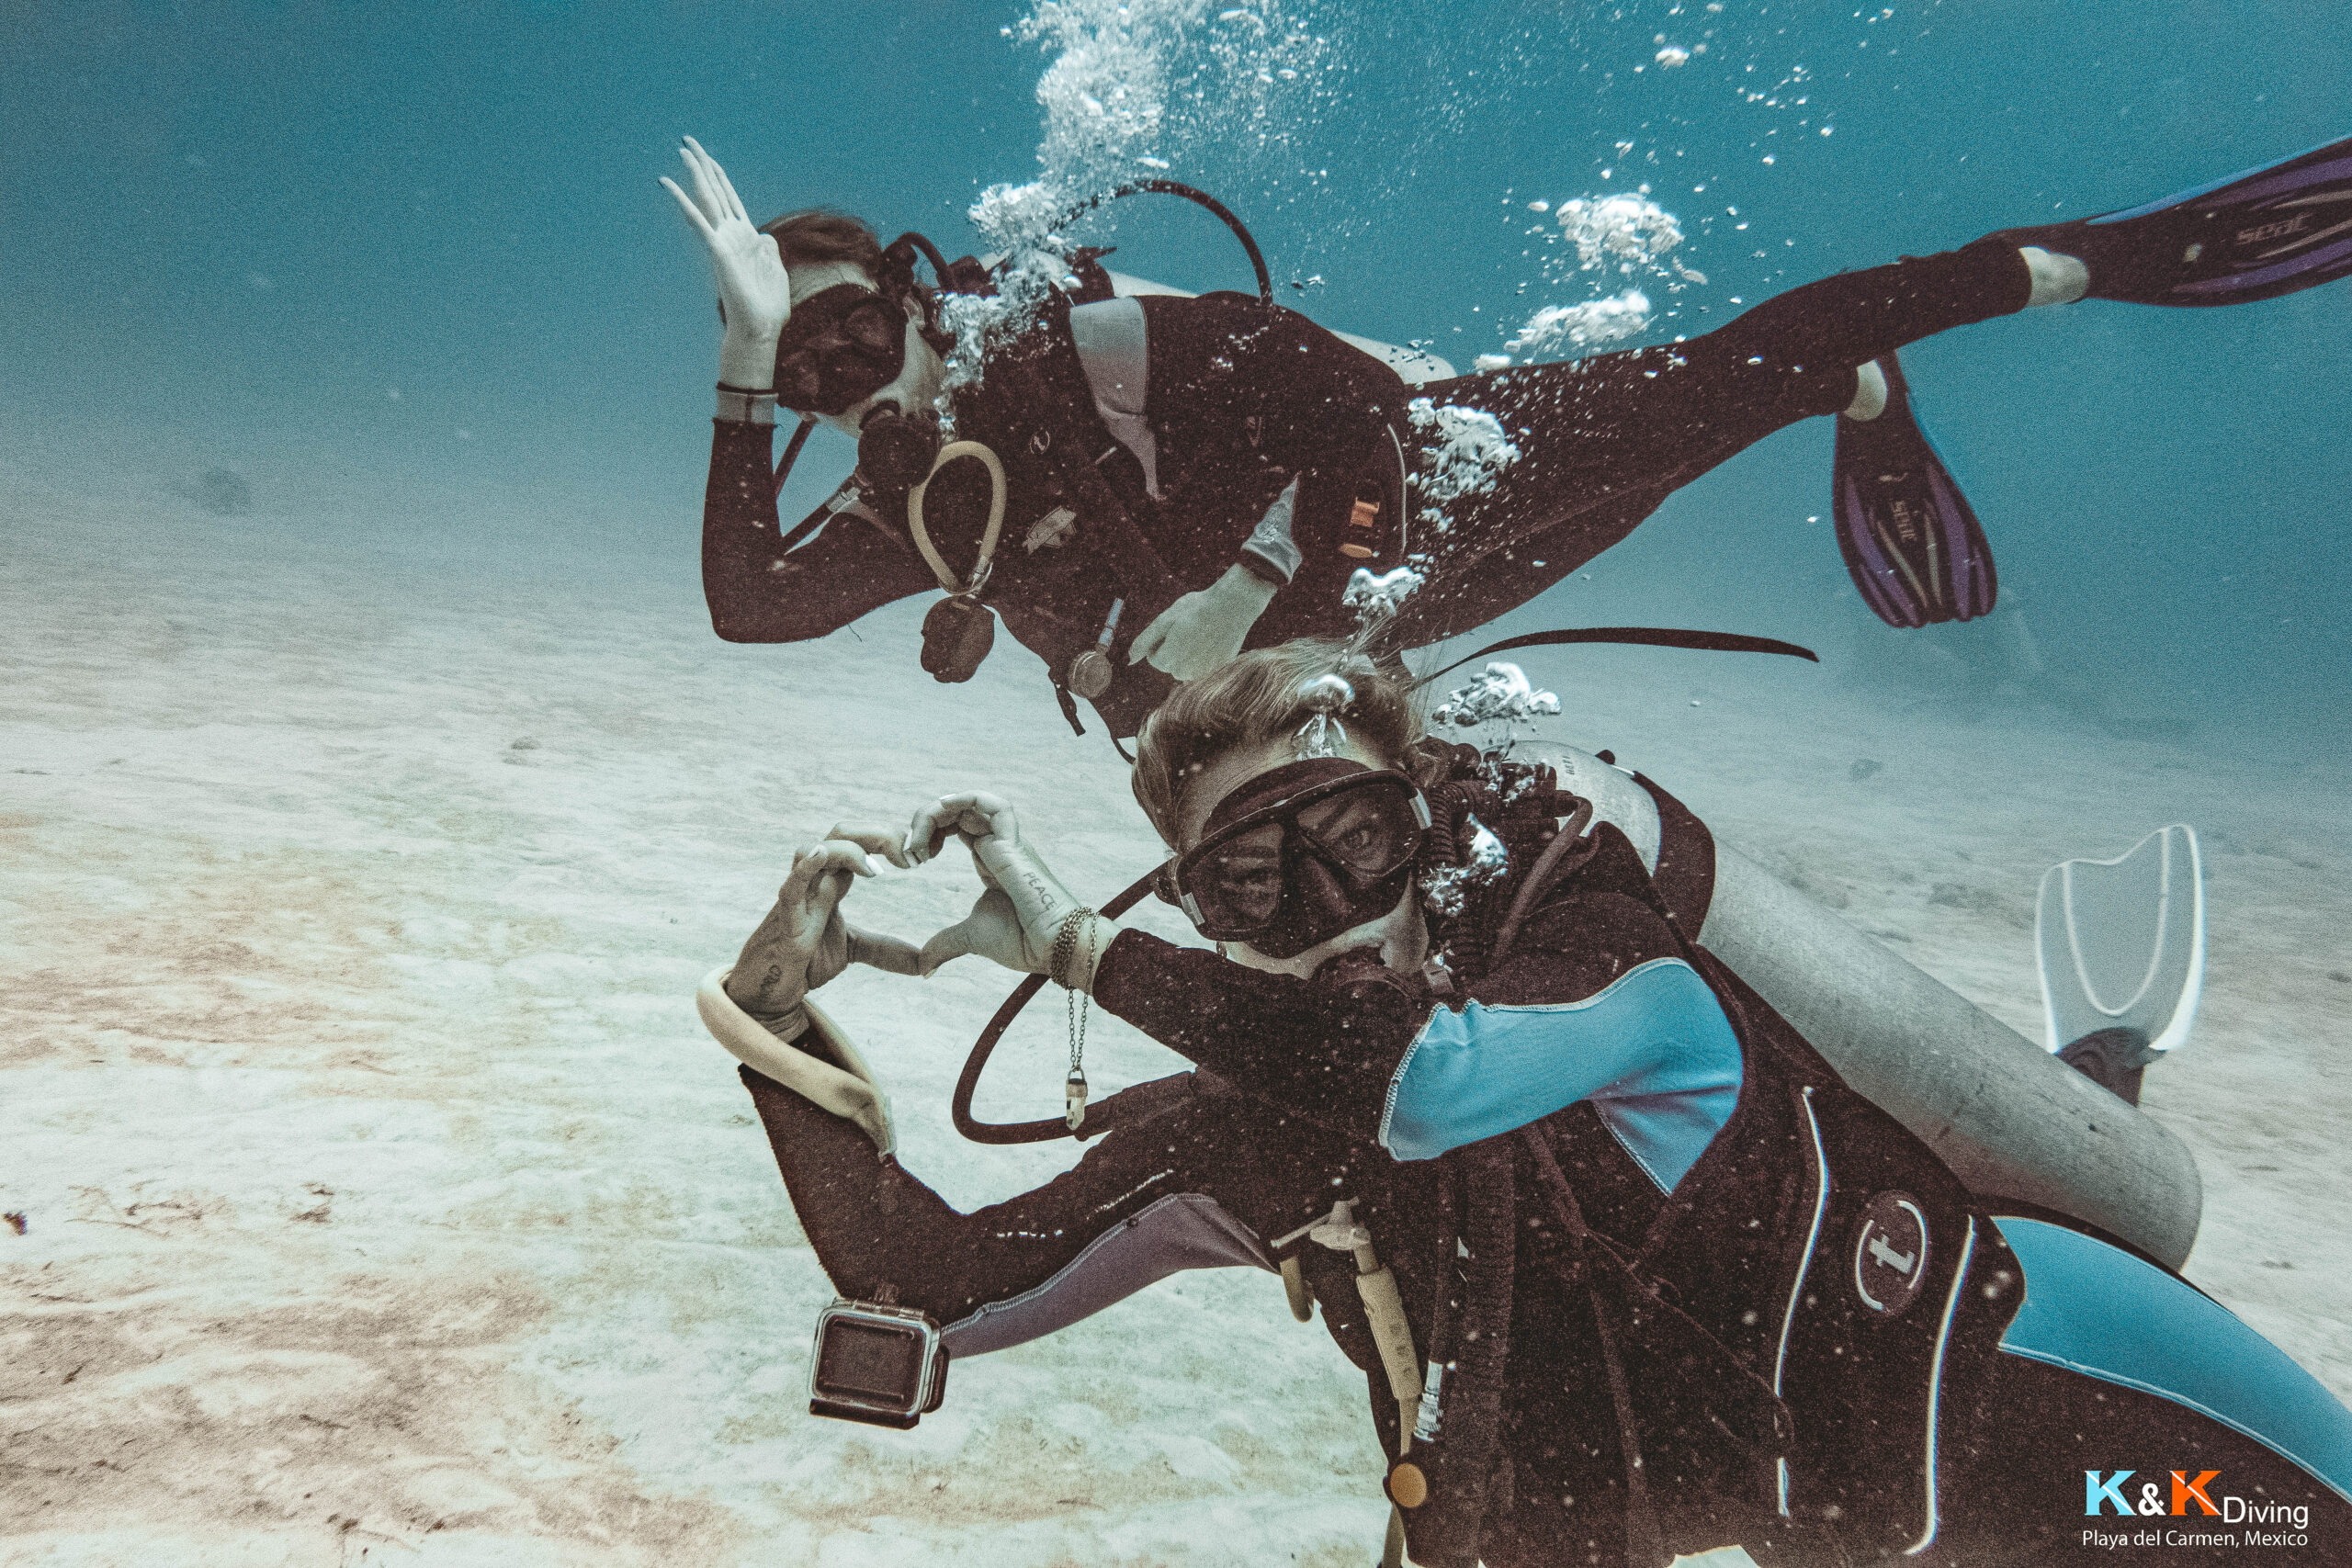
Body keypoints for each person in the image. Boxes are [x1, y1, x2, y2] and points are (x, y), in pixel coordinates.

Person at [698, 641, 2352, 1567]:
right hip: (1829, 1523)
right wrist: (772, 1022)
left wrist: (1075, 948)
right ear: (1206, 920)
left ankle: (2097, 1090)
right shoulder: (1262, 1137)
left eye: (1350, 843)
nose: (1329, 911)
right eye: (1257, 884)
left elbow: (1429, 1087)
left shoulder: (1602, 958)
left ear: (1425, 832)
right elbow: (927, 1290)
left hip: (2044, 1380)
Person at [664, 134, 2352, 737]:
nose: (845, 389)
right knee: (1707, 443)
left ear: (918, 299)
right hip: (1407, 616)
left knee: (1725, 371)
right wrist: (741, 376)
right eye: (798, 378)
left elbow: (1350, 407)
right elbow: (748, 606)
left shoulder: (1084, 344)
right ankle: (1834, 402)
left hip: (1445, 459)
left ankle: (2084, 266)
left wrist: (1248, 589)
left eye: (844, 337)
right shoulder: (923, 519)